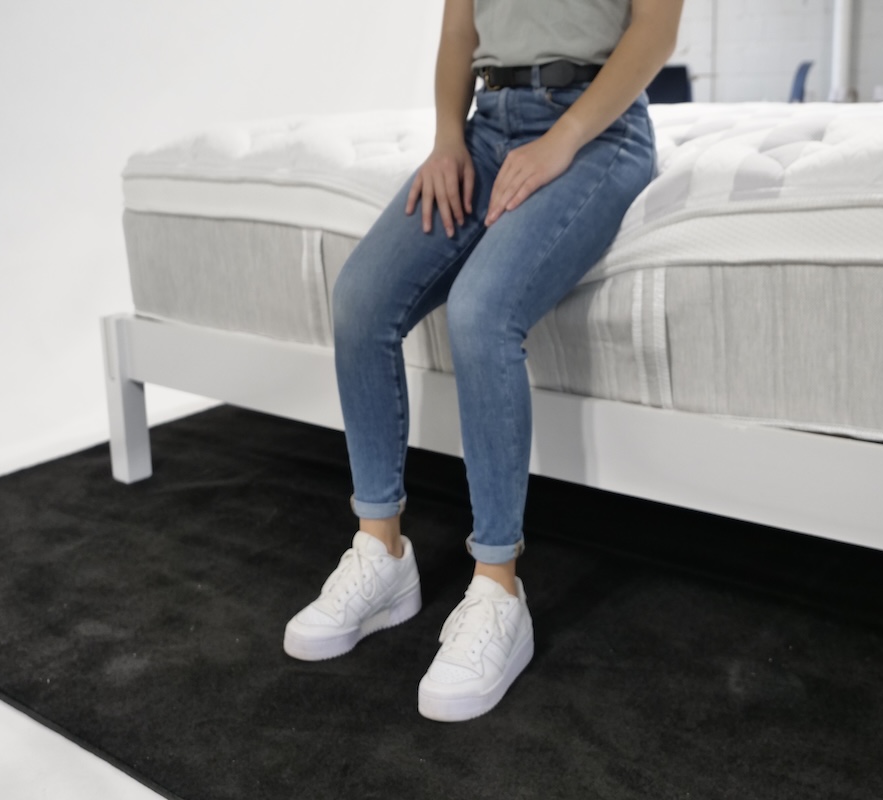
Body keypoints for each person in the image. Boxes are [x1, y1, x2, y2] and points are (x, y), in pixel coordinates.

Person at [284, 0, 683, 721]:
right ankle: (383, 554)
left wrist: (561, 139)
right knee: (361, 300)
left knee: (481, 310)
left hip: (598, 132)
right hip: (486, 128)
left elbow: (655, 32)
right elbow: (458, 31)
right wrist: (446, 141)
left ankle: (498, 589)